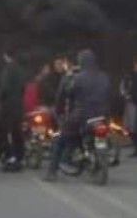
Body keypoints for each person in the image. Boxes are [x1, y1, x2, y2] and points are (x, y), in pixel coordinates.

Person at [44, 49, 110, 182]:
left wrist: (67, 78)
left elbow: (67, 93)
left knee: (60, 139)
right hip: (102, 116)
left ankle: (52, 172)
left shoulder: (78, 78)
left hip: (82, 115)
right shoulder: (104, 76)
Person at [0, 50, 27, 171]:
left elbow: (5, 88)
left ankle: (8, 156)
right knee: (17, 132)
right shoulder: (20, 69)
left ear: (5, 56)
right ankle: (19, 157)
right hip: (19, 104)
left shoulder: (7, 70)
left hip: (8, 105)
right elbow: (23, 88)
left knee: (1, 131)